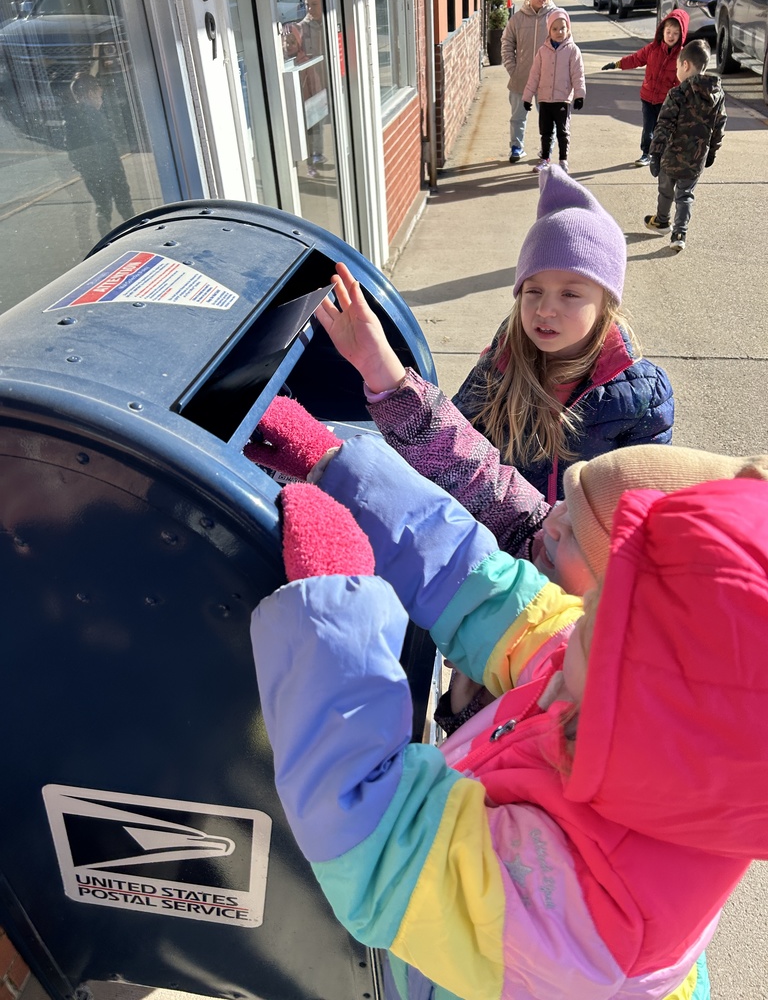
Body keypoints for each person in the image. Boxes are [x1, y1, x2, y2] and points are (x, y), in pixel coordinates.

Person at [247, 412, 768, 1000]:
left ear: (651, 698)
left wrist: (331, 613)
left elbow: (382, 855)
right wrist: (342, 470)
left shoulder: (598, 911)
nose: (581, 609)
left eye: (603, 612)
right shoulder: (636, 705)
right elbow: (494, 597)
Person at [449, 164, 674, 503]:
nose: (544, 310)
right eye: (533, 291)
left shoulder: (644, 393)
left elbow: (644, 498)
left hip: (584, 549)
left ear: (606, 303)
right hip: (505, 542)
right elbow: (453, 445)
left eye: (569, 294)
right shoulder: (498, 367)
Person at [644, 39, 726, 253]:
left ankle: (662, 220)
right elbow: (719, 126)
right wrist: (712, 152)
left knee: (665, 189)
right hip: (696, 158)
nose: (677, 70)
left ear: (686, 65)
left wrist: (655, 154)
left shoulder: (677, 94)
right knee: (685, 194)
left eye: (678, 65)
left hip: (671, 156)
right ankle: (679, 233)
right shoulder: (717, 95)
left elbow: (663, 126)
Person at [601, 9, 689, 166]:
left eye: (676, 33)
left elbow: (683, 79)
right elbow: (635, 59)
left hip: (666, 101)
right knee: (648, 128)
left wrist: (681, 98)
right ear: (662, 31)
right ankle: (646, 153)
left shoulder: (681, 56)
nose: (671, 36)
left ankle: (662, 154)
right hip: (648, 98)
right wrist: (617, 64)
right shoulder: (652, 49)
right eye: (668, 32)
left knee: (663, 130)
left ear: (681, 36)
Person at [66, 71, 134, 239]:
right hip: (108, 169)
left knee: (102, 206)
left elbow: (73, 151)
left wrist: (85, 169)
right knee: (123, 203)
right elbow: (105, 145)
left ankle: (105, 238)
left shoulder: (72, 119)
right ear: (90, 94)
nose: (101, 99)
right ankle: (134, 234)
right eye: (99, 95)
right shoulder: (92, 117)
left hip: (92, 172)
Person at [522, 8, 585, 175]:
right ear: (549, 30)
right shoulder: (542, 52)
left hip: (562, 98)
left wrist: (579, 95)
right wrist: (527, 97)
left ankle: (563, 160)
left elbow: (577, 74)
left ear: (568, 28)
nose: (559, 32)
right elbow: (534, 75)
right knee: (546, 131)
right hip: (544, 99)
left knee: (563, 131)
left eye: (563, 28)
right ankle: (544, 159)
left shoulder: (573, 50)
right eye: (555, 29)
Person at [501, 0, 556, 163]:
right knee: (518, 116)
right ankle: (516, 147)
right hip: (522, 79)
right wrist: (512, 68)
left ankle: (546, 151)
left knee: (548, 119)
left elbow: (567, 45)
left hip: (547, 81)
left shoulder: (555, 16)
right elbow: (507, 42)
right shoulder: (518, 18)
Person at [295, 0, 328, 175]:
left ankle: (318, 153)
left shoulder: (329, 24)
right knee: (310, 123)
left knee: (321, 121)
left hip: (327, 80)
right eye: (307, 4)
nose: (309, 9)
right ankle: (310, 164)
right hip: (310, 83)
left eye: (314, 4)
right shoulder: (300, 28)